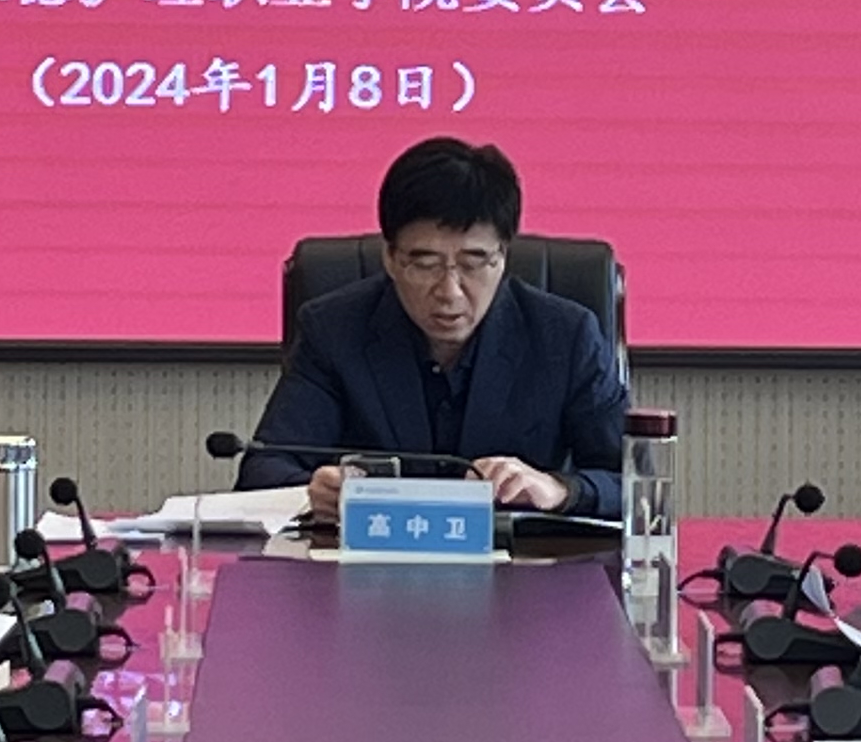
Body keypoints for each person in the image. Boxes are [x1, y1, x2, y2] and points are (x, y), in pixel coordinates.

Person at [240, 136, 628, 518]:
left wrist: (561, 490)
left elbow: (631, 481)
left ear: (503, 257)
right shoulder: (333, 330)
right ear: (390, 258)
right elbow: (263, 470)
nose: (450, 291)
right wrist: (312, 492)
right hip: (370, 554)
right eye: (425, 264)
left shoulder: (566, 336)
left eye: (473, 263)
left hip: (518, 558)